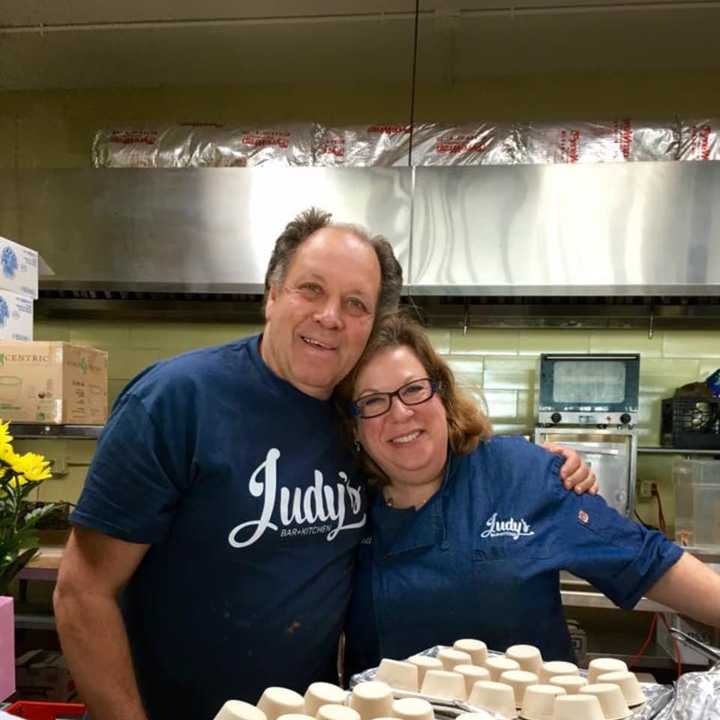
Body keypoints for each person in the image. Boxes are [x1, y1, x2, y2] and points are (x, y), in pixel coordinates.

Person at [53, 208, 592, 720]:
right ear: (271, 295)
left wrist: (542, 469)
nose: (330, 317)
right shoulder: (177, 401)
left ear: (371, 325)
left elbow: (447, 463)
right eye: (311, 289)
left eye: (356, 304)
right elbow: (82, 592)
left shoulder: (362, 419)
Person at [337, 313, 720, 676]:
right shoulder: (339, 504)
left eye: (414, 389)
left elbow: (647, 560)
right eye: (372, 401)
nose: (400, 413)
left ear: (442, 394)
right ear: (353, 426)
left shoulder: (523, 473)